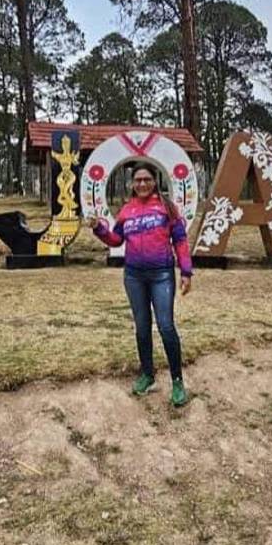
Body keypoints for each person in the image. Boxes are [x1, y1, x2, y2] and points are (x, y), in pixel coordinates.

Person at [82, 163, 193, 407]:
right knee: (142, 328)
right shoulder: (127, 210)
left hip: (162, 275)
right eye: (137, 180)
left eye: (147, 179)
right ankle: (147, 374)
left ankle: (177, 382)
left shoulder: (167, 208)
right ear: (132, 184)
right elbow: (116, 239)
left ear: (155, 181)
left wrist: (186, 271)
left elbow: (181, 241)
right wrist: (98, 228)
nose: (142, 184)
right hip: (133, 276)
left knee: (165, 326)